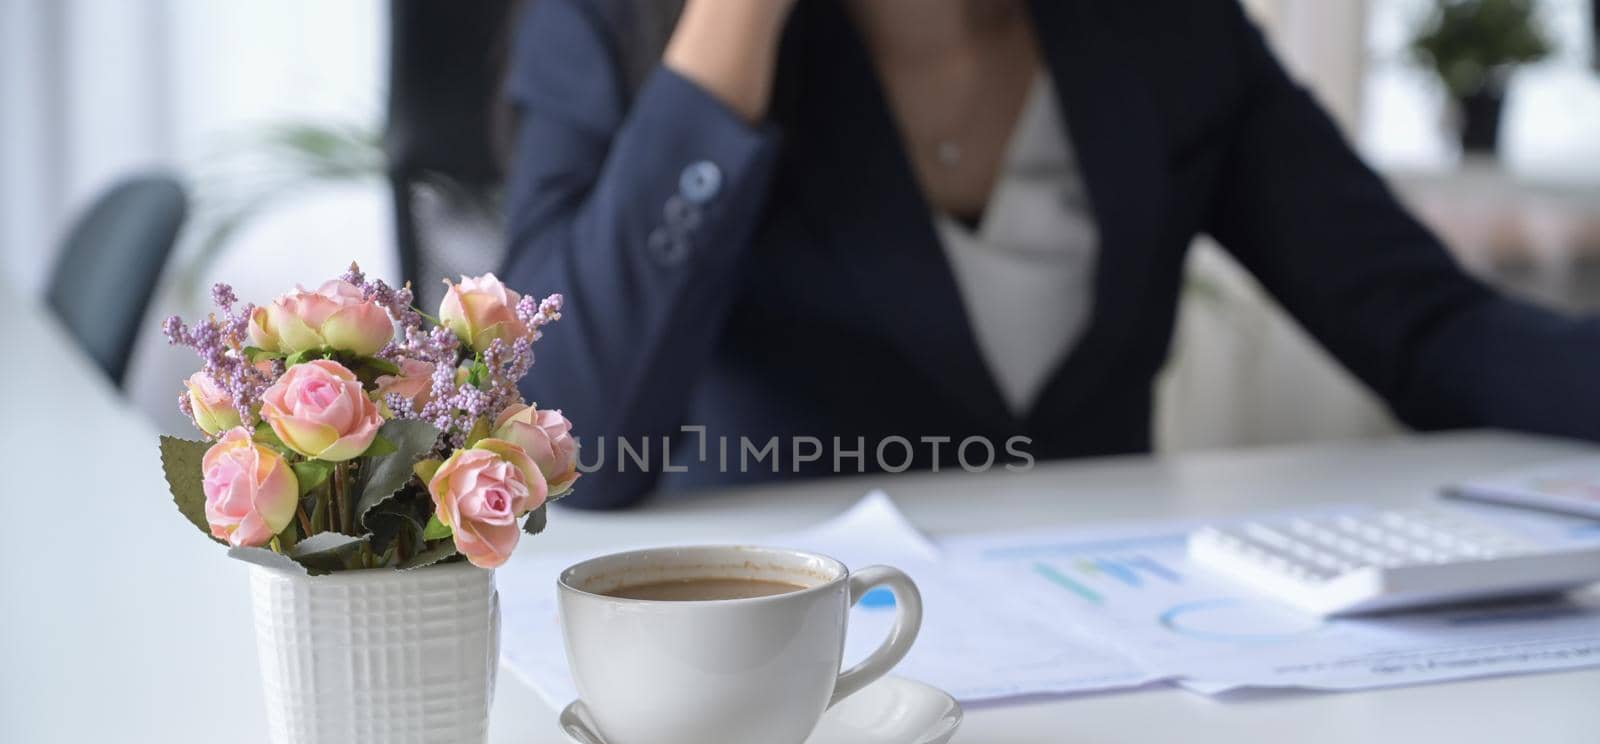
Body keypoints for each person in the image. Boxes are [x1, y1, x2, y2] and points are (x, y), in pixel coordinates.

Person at [503, 0, 1600, 509]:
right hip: (778, 678)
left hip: (1121, 652)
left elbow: (1426, 329)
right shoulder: (610, 26)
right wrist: (732, 28)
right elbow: (567, 436)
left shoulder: (1165, 31)